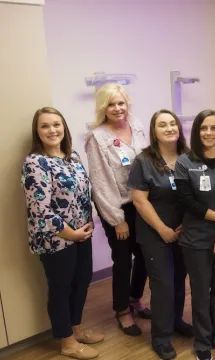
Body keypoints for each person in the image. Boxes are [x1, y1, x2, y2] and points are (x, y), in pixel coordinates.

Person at [21, 107, 104, 359]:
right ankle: (66, 342)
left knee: (82, 281)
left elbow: (82, 195)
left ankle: (75, 328)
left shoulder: (73, 157)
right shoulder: (35, 162)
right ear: (37, 131)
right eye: (45, 126)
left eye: (56, 124)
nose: (52, 130)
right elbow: (41, 210)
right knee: (61, 287)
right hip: (55, 240)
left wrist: (87, 225)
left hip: (81, 234)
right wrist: (72, 234)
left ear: (64, 128)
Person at [174, 109, 215, 360]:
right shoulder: (185, 162)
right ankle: (202, 341)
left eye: (214, 128)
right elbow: (186, 201)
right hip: (195, 238)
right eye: (204, 128)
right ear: (196, 132)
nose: (209, 133)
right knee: (201, 290)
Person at [85, 83, 150, 336]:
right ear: (103, 108)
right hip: (116, 205)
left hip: (140, 202)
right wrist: (117, 220)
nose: (117, 108)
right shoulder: (97, 137)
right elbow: (100, 183)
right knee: (123, 260)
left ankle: (135, 298)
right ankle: (122, 311)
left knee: (146, 255)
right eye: (111, 104)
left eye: (121, 103)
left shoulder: (138, 126)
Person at [128, 109, 193, 359]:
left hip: (184, 232)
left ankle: (175, 321)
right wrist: (163, 229)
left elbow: (197, 195)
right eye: (162, 125)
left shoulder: (189, 157)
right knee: (163, 284)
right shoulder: (144, 161)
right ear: (154, 132)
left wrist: (185, 225)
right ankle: (161, 337)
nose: (169, 128)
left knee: (179, 280)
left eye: (173, 123)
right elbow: (139, 201)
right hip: (155, 233)